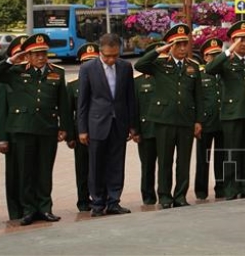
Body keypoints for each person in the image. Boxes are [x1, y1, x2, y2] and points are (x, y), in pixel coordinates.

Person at [0, 33, 71, 226]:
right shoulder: (15, 71)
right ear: (27, 55)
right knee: (25, 172)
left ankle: (45, 208)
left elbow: (64, 103)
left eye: (43, 53)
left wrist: (64, 127)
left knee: (45, 171)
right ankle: (28, 210)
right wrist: (11, 60)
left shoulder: (57, 72)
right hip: (23, 128)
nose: (40, 57)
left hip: (47, 128)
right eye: (35, 54)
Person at [134, 24, 202, 208]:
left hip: (186, 120)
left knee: (183, 161)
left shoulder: (193, 67)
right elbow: (140, 65)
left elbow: (198, 96)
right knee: (165, 160)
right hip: (164, 119)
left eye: (184, 44)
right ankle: (164, 196)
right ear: (171, 46)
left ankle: (180, 196)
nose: (181, 48)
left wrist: (197, 121)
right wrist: (159, 49)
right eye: (177, 44)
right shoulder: (160, 64)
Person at [205, 21, 245, 200]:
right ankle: (231, 189)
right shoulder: (225, 60)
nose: (244, 43)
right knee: (232, 153)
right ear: (232, 40)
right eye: (239, 39)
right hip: (232, 113)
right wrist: (227, 51)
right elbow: (210, 69)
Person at [78, 33, 136, 217]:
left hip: (119, 123)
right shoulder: (88, 68)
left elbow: (130, 98)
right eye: (107, 56)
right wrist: (82, 129)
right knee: (96, 166)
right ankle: (97, 203)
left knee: (116, 164)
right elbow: (83, 101)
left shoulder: (125, 67)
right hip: (96, 124)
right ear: (99, 52)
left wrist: (132, 125)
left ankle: (113, 201)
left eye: (115, 55)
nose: (111, 59)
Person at [0, 35, 28, 221]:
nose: (23, 59)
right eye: (19, 55)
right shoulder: (6, 77)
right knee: (14, 175)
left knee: (29, 174)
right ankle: (15, 211)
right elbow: (1, 110)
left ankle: (29, 208)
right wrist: (2, 138)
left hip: (29, 131)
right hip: (12, 134)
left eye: (26, 55)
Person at [66, 43, 100, 212]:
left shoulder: (106, 83)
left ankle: (101, 198)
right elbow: (68, 112)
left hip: (101, 130)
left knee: (102, 166)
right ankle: (83, 200)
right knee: (83, 168)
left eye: (93, 61)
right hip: (81, 133)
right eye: (85, 62)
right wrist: (70, 136)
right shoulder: (73, 85)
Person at [195, 38, 226, 200]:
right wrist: (197, 121)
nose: (215, 58)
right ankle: (201, 191)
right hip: (205, 122)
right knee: (202, 159)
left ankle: (221, 188)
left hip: (222, 121)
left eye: (218, 55)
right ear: (205, 57)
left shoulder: (224, 72)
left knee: (221, 157)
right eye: (211, 56)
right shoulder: (200, 74)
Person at [134, 42, 162, 205]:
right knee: (147, 166)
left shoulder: (166, 77)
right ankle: (148, 196)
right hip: (146, 130)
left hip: (164, 128)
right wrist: (135, 130)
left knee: (165, 165)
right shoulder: (137, 82)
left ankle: (164, 193)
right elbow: (134, 107)